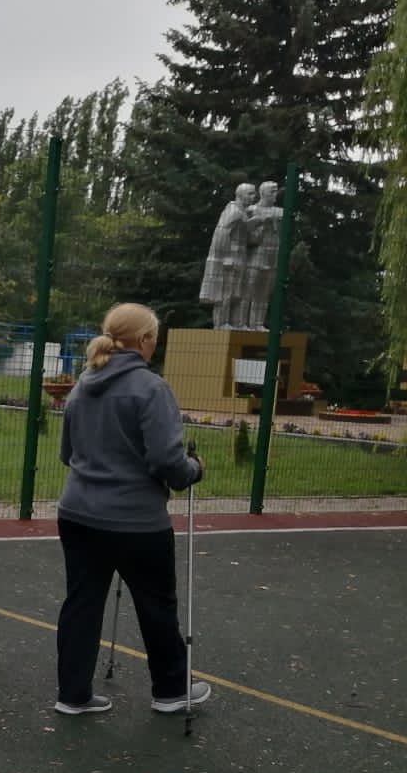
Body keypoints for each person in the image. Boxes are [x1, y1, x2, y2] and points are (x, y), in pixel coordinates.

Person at [54, 302, 210, 716]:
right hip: (135, 520)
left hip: (77, 513)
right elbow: (167, 462)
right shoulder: (151, 388)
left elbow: (67, 453)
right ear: (143, 341)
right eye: (154, 339)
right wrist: (193, 470)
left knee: (82, 602)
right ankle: (171, 689)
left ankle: (72, 693)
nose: (154, 346)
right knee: (156, 604)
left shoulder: (84, 382)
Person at [201, 183, 255, 330]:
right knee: (225, 292)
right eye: (250, 194)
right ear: (240, 195)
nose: (253, 197)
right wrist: (225, 257)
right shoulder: (233, 211)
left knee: (237, 293)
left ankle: (236, 322)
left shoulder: (243, 212)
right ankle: (222, 323)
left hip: (241, 257)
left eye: (254, 193)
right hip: (230, 259)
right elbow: (221, 233)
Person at [237, 180, 282, 332]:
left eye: (276, 191)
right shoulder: (251, 210)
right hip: (255, 257)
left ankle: (258, 324)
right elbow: (244, 234)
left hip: (272, 257)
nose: (276, 194)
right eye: (272, 191)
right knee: (247, 291)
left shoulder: (280, 212)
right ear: (262, 193)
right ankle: (241, 323)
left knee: (263, 294)